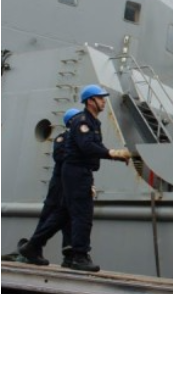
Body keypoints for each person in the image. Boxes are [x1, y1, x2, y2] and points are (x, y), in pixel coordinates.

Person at [19, 85, 132, 271]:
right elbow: (87, 146)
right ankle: (79, 256)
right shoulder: (82, 122)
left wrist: (115, 157)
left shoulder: (93, 123)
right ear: (90, 101)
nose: (104, 101)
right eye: (100, 98)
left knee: (63, 214)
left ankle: (33, 246)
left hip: (81, 172)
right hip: (76, 172)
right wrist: (112, 153)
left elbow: (93, 148)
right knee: (82, 214)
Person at [2, 109, 80, 264]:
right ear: (72, 122)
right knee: (51, 215)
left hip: (71, 183)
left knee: (69, 217)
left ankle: (69, 254)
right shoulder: (63, 138)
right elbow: (61, 157)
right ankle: (32, 248)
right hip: (60, 185)